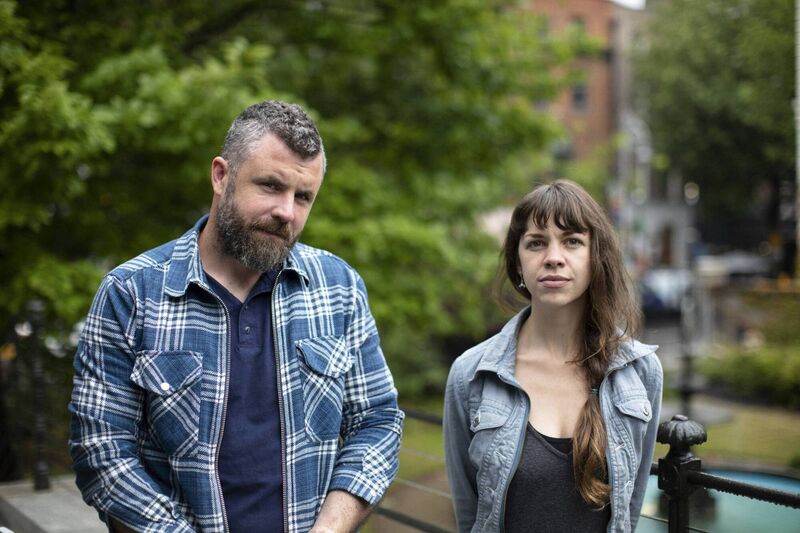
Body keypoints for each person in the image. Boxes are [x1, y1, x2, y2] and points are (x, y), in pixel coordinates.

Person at [69, 100, 404, 533]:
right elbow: (101, 453)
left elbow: (376, 421)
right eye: (270, 186)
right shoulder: (131, 293)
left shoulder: (338, 287)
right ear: (221, 176)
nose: (287, 211)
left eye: (303, 197)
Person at [443, 180, 662, 532]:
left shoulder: (639, 371)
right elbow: (470, 516)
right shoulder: (471, 375)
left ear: (596, 257)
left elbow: (629, 512)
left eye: (573, 241)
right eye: (536, 243)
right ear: (517, 262)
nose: (554, 257)